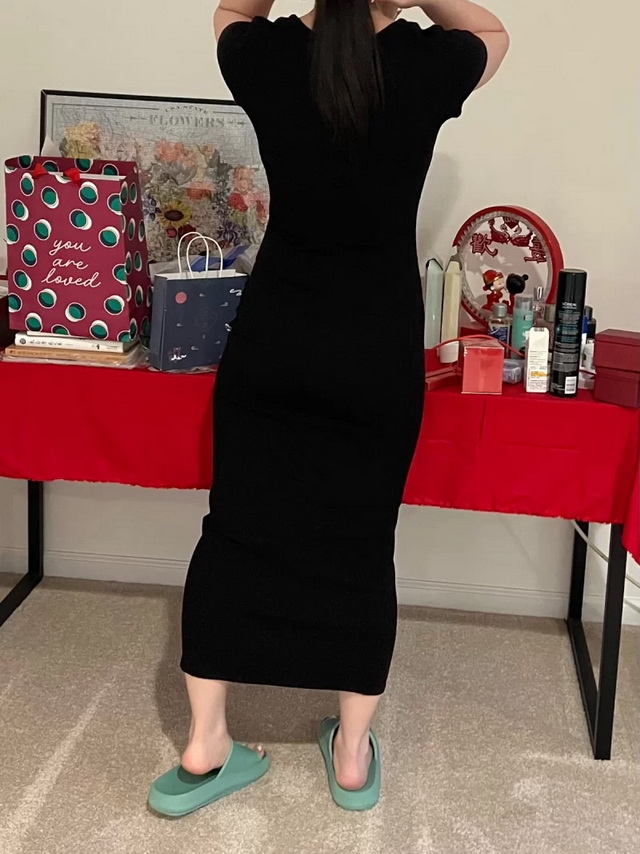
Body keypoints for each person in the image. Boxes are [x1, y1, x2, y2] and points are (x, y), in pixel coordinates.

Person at [149, 0, 508, 816]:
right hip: (374, 347)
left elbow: (230, 9)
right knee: (361, 538)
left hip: (276, 336)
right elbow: (493, 33)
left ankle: (206, 743)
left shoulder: (267, 55)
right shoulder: (427, 64)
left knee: (236, 529)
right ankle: (349, 756)